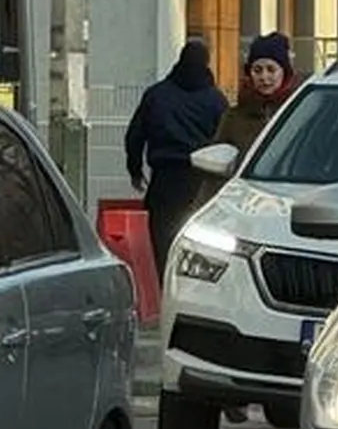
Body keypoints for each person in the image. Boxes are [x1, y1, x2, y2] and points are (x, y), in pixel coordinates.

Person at [124, 37, 229, 279]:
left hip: (164, 182)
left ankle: (166, 287)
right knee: (200, 245)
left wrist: (135, 169)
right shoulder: (215, 100)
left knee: (163, 244)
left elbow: (135, 135)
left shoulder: (157, 95)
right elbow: (225, 143)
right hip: (203, 182)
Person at [209, 31, 298, 165]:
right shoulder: (233, 118)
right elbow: (217, 163)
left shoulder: (299, 112)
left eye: (271, 69)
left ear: (284, 73)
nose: (264, 77)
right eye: (257, 70)